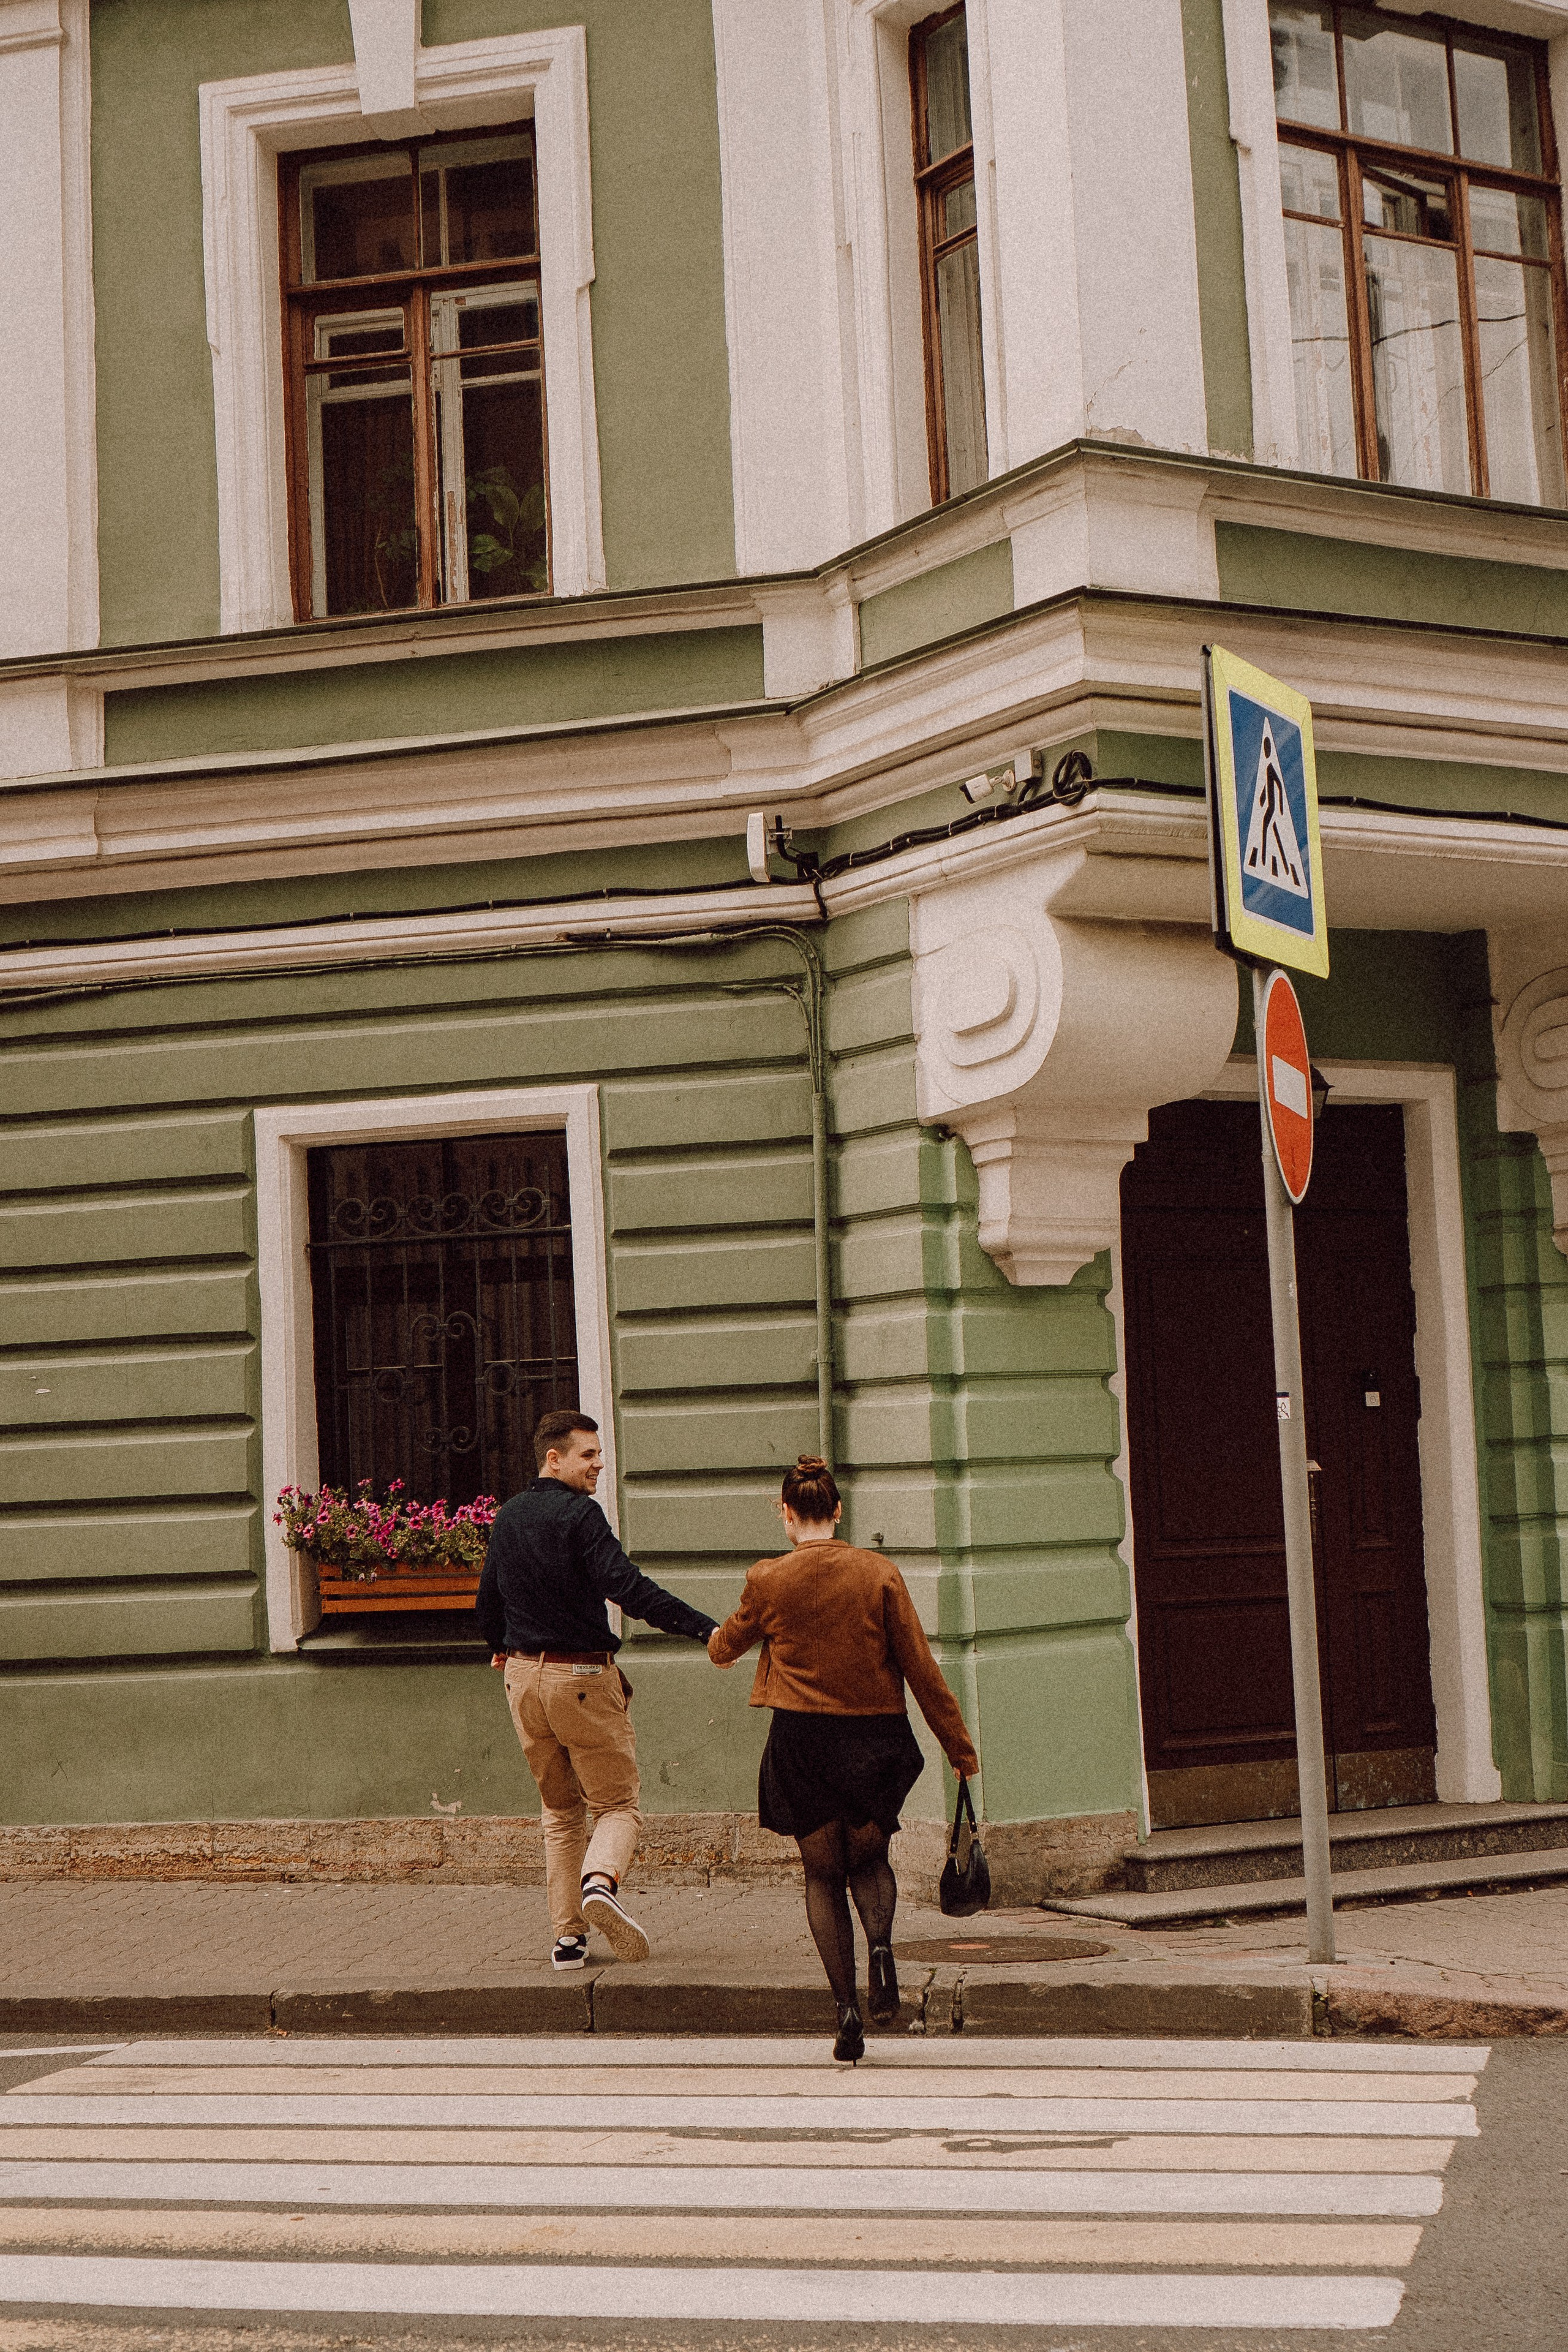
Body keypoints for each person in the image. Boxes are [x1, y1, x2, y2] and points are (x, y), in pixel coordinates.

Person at [707, 1455, 980, 2062]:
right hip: (875, 1739)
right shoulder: (879, 1574)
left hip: (802, 1742)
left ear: (786, 1514)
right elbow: (920, 1667)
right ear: (837, 1510)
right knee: (870, 1860)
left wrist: (720, 1638)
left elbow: (725, 1648)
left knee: (822, 1875)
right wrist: (958, 1749)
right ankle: (880, 1948)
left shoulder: (767, 1579)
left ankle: (846, 2011)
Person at [477, 1408, 718, 1972]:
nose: (599, 1464)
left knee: (560, 1812)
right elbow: (626, 1587)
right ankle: (600, 1884)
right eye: (588, 1454)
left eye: (599, 1453)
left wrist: (501, 1645)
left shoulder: (509, 1516)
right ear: (554, 1458)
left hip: (522, 1679)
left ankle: (568, 1941)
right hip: (581, 1678)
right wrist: (705, 1629)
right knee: (617, 1806)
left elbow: (489, 1600)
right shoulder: (581, 1515)